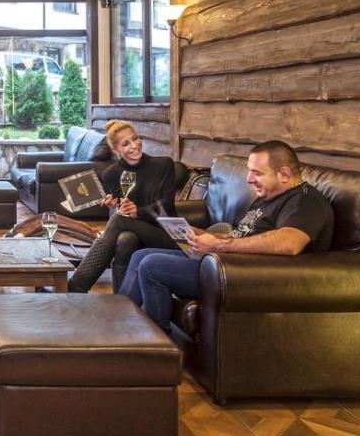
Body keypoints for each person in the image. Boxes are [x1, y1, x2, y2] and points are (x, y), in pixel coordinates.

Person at [119, 140, 334, 332]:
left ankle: (157, 348)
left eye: (257, 173)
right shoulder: (268, 196)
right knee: (141, 256)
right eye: (249, 171)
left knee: (152, 266)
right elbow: (242, 236)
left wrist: (220, 246)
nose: (249, 179)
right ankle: (116, 325)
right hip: (226, 262)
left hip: (243, 275)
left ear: (284, 174)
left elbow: (290, 242)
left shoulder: (305, 201)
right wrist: (202, 234)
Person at [66, 120, 180, 293]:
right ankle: (121, 297)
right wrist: (114, 203)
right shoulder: (111, 174)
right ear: (116, 150)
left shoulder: (163, 164)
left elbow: (167, 205)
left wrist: (136, 212)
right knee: (125, 240)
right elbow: (124, 208)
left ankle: (75, 286)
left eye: (135, 138)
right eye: (126, 144)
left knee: (118, 221)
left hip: (165, 233)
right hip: (133, 231)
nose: (134, 145)